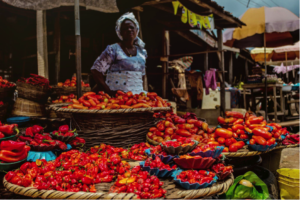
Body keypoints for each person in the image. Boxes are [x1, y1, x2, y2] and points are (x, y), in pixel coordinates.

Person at [91, 12, 147, 96]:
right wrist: (108, 91)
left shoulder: (142, 52)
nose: (129, 30)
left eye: (132, 27)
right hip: (117, 99)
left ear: (136, 30)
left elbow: (142, 75)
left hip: (137, 97)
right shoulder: (113, 49)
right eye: (125, 28)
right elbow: (95, 70)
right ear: (119, 32)